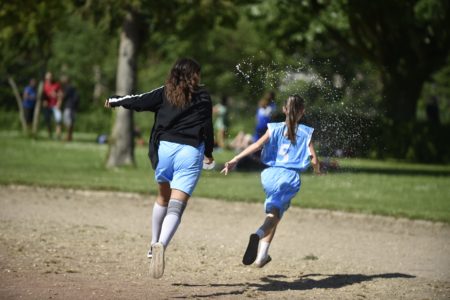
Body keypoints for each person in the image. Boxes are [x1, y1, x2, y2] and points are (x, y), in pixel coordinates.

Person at [104, 58, 214, 279]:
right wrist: (209, 152)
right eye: (197, 73)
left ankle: (153, 242)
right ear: (193, 75)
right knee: (177, 205)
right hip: (190, 153)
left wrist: (115, 100)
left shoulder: (165, 92)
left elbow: (138, 100)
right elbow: (207, 128)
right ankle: (162, 244)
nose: (199, 77)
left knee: (163, 198)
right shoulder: (203, 97)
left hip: (165, 150)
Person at [221, 94, 320, 268]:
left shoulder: (273, 128)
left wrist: (235, 159)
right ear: (302, 112)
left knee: (274, 213)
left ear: (283, 110)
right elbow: (314, 159)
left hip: (269, 175)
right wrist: (318, 170)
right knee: (274, 216)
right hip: (289, 178)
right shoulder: (306, 132)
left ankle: (262, 256)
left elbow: (256, 145)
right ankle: (258, 235)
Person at [43, 72, 62, 139]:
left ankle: (58, 136)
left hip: (55, 105)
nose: (49, 78)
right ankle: (49, 135)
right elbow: (42, 96)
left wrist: (59, 102)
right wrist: (44, 101)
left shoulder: (57, 85)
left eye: (50, 77)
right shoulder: (43, 85)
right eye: (47, 77)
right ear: (45, 78)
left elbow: (60, 94)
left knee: (58, 120)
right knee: (47, 121)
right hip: (47, 106)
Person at [60, 76, 79, 141]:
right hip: (73, 107)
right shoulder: (72, 87)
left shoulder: (68, 87)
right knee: (70, 122)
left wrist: (57, 95)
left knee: (67, 122)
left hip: (69, 106)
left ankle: (68, 136)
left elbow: (63, 96)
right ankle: (69, 136)